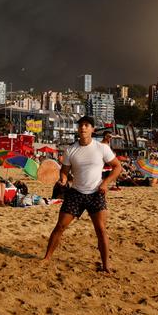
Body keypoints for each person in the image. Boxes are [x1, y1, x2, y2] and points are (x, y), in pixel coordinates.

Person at [42, 116, 122, 272]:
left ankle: (106, 266)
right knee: (60, 226)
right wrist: (63, 180)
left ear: (92, 129)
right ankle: (46, 258)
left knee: (101, 230)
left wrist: (105, 183)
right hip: (76, 193)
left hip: (96, 193)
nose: (83, 128)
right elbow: (64, 173)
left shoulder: (102, 148)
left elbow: (117, 167)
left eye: (86, 125)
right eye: (81, 125)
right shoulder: (70, 150)